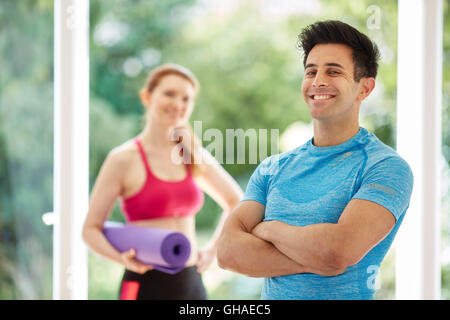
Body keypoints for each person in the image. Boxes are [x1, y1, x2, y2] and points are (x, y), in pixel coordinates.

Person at [217, 20, 414, 300]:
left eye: (333, 71)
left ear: (365, 88)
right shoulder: (273, 169)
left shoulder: (385, 167)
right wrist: (315, 260)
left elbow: (337, 251)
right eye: (311, 72)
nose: (318, 81)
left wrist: (269, 229)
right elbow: (227, 253)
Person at [82, 63, 243, 300]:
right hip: (143, 281)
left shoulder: (192, 154)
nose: (178, 104)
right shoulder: (122, 159)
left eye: (186, 99)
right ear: (147, 97)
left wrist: (211, 251)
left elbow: (235, 200)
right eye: (169, 94)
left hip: (190, 282)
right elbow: (90, 230)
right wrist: (121, 258)